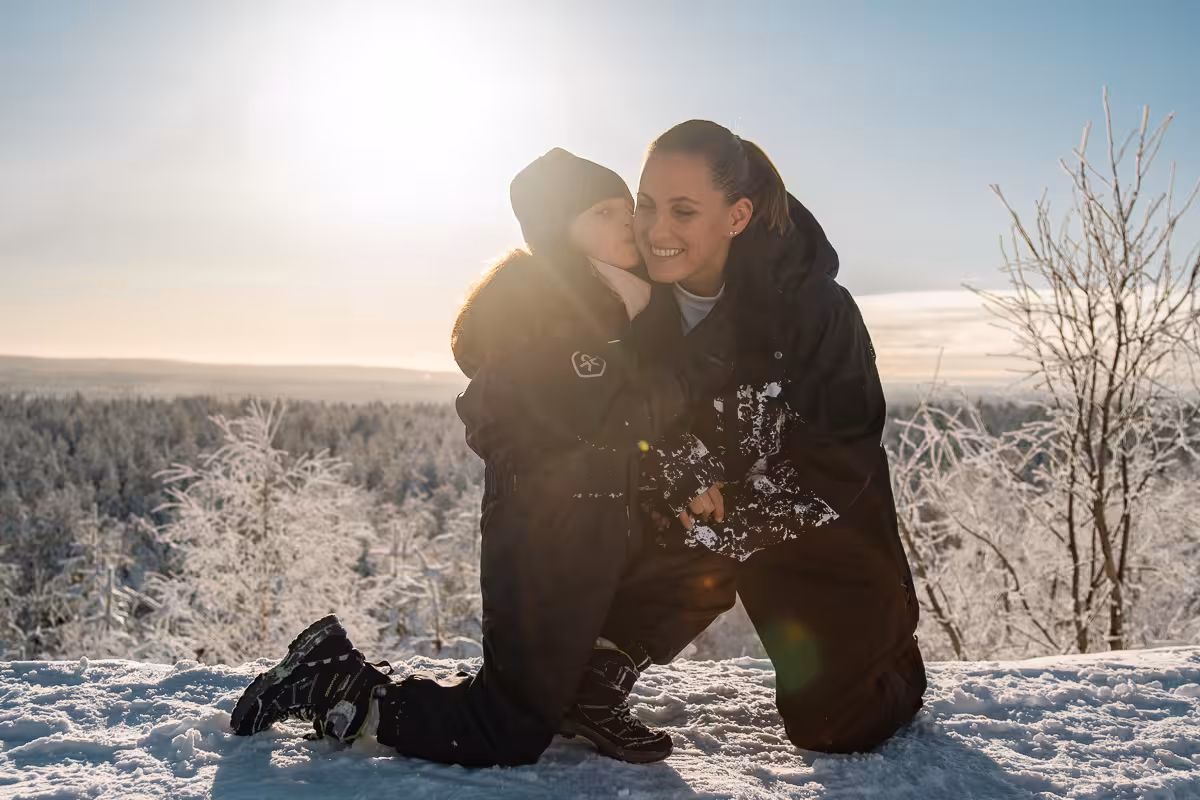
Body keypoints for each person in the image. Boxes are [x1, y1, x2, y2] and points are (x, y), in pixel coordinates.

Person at [230, 148, 733, 766]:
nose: (628, 221)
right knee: (509, 731)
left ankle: (588, 689)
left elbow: (626, 410)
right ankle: (337, 684)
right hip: (543, 536)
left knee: (712, 546)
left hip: (608, 518)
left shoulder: (624, 308)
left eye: (626, 207)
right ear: (558, 229)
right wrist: (677, 427)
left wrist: (678, 456)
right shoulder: (543, 313)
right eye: (605, 211)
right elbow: (594, 409)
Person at [594, 120, 927, 754]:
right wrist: (677, 467)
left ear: (738, 214)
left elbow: (840, 453)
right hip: (686, 514)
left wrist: (728, 518)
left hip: (813, 528)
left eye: (684, 211)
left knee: (833, 727)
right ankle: (606, 653)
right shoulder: (633, 303)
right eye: (647, 205)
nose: (656, 230)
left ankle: (889, 658)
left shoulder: (814, 309)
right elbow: (615, 411)